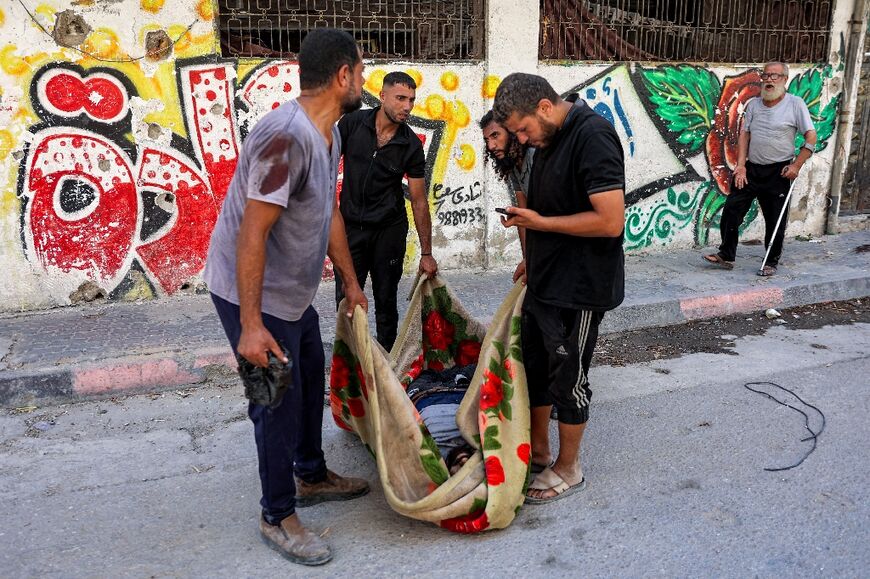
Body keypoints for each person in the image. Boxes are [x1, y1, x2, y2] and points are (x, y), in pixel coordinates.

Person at [202, 29, 370, 566]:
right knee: (274, 398)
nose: (362, 82)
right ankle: (277, 514)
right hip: (252, 295)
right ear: (343, 75)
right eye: (361, 72)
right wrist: (251, 326)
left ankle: (311, 474)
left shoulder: (329, 134)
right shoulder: (284, 137)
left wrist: (348, 280)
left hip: (292, 296)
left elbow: (328, 213)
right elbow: (252, 233)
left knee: (310, 375)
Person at [493, 73, 625, 504]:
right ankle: (541, 453)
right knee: (536, 370)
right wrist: (531, 254)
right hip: (546, 281)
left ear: (545, 108)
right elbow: (555, 204)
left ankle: (569, 469)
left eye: (524, 129)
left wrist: (541, 224)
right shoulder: (548, 139)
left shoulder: (594, 136)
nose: (523, 139)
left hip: (581, 287)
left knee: (569, 379)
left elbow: (610, 221)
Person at [335, 71, 438, 351]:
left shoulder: (411, 145)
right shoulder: (353, 123)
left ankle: (389, 369)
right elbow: (325, 162)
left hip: (388, 230)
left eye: (412, 100)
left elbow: (418, 201)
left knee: (385, 301)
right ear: (382, 97)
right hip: (350, 228)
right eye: (400, 98)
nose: (407, 106)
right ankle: (352, 365)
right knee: (346, 300)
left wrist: (427, 253)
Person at [704, 61, 817, 277]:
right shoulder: (753, 105)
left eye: (775, 76)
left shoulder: (795, 104)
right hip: (752, 170)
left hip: (779, 171)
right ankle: (726, 255)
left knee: (775, 220)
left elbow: (811, 136)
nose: (769, 80)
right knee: (731, 210)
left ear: (785, 79)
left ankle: (770, 261)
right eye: (766, 76)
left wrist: (796, 165)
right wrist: (740, 166)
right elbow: (744, 135)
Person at [480, 109, 535, 283]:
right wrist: (528, 260)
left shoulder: (535, 156)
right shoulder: (513, 163)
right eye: (487, 140)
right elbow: (523, 213)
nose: (491, 146)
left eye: (495, 135)